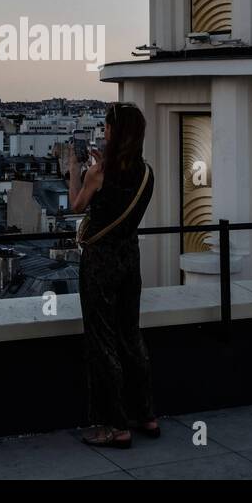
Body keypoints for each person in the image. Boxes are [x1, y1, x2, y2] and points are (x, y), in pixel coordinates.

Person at [67, 100, 158, 449]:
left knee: (102, 341)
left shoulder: (99, 173)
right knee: (130, 336)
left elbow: (77, 205)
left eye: (107, 126)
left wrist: (75, 169)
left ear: (116, 131)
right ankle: (145, 414)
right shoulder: (146, 173)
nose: (103, 131)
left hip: (100, 262)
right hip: (129, 259)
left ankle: (114, 425)